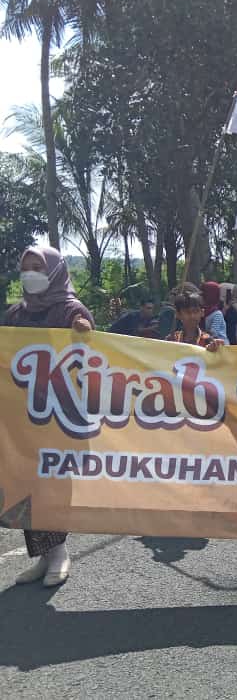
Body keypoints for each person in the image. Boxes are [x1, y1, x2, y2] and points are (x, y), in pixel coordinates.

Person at [4, 246, 94, 587]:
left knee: (54, 484)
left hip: (58, 417)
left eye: (38, 267)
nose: (30, 273)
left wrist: (85, 333)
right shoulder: (15, 315)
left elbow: (90, 359)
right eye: (25, 267)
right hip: (22, 418)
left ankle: (59, 552)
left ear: (55, 271)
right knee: (26, 485)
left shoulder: (71, 310)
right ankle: (43, 555)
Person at [165, 285, 225, 351]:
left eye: (196, 311)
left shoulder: (208, 340)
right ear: (178, 314)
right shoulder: (171, 340)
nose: (192, 316)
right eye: (187, 312)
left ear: (202, 312)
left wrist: (214, 349)